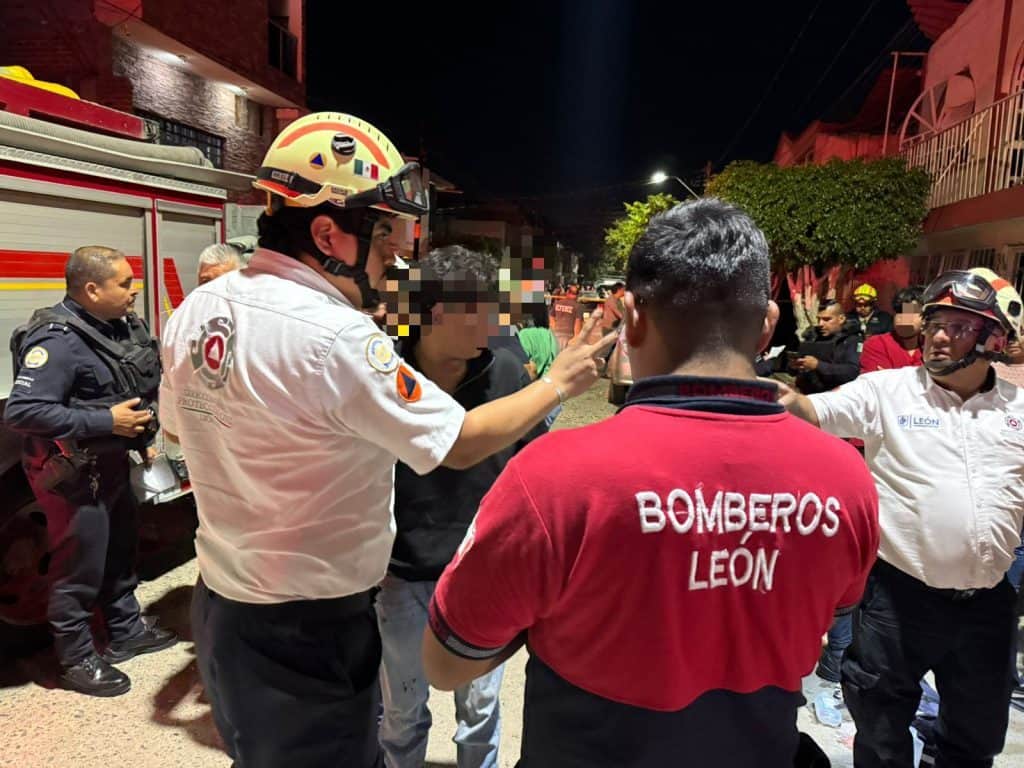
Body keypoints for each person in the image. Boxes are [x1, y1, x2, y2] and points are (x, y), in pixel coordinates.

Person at [158, 112, 613, 768]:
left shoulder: (199, 307)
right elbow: (456, 441)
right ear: (327, 234)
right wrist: (561, 382)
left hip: (223, 608)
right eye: (382, 243)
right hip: (309, 625)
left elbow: (175, 427)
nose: (393, 261)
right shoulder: (339, 338)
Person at [421, 198, 880, 767]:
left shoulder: (554, 478)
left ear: (632, 317)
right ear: (766, 324)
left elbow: (447, 664)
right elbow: (832, 610)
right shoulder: (846, 480)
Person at [779, 267, 1024, 768]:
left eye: (957, 327)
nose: (937, 335)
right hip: (898, 600)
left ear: (995, 336)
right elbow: (807, 411)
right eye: (935, 322)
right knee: (882, 736)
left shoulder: (1018, 406)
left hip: (989, 605)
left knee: (975, 741)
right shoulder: (885, 392)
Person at [378, 245, 544, 768]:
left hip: (481, 573)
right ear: (436, 314)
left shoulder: (508, 372)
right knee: (402, 711)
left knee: (481, 706)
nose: (497, 320)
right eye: (482, 308)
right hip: (399, 574)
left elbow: (535, 465)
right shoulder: (384, 371)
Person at [4, 246, 177, 697]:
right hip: (72, 472)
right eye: (123, 283)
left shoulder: (113, 328)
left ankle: (125, 631)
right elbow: (24, 412)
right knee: (77, 567)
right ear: (91, 288)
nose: (134, 291)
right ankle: (77, 657)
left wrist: (140, 436)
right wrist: (106, 422)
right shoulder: (57, 340)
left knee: (120, 552)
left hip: (111, 465)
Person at [791, 300, 860, 394]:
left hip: (834, 396)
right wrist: (794, 366)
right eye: (819, 319)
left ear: (841, 319)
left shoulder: (852, 340)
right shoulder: (813, 336)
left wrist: (818, 365)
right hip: (806, 393)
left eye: (827, 319)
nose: (820, 324)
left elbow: (852, 371)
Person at [858, 285, 924, 373]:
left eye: (910, 311)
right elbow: (876, 384)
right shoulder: (876, 344)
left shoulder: (934, 348)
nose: (903, 317)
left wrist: (890, 377)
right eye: (899, 311)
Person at [549, 284, 582, 350]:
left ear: (567, 292)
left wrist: (553, 328)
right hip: (568, 336)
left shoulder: (557, 303)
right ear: (577, 295)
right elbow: (577, 325)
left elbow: (551, 317)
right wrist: (576, 338)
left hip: (555, 334)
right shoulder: (578, 306)